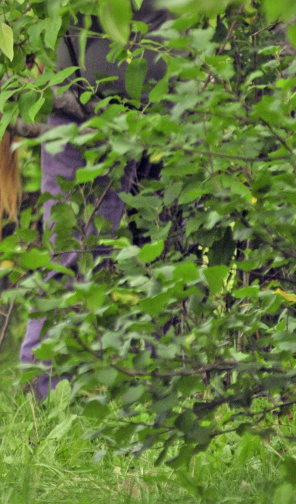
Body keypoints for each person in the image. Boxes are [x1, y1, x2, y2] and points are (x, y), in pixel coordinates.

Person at [19, 4, 172, 399]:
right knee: (74, 255)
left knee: (161, 260)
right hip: (84, 113)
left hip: (173, 118)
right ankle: (42, 403)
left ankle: (161, 399)